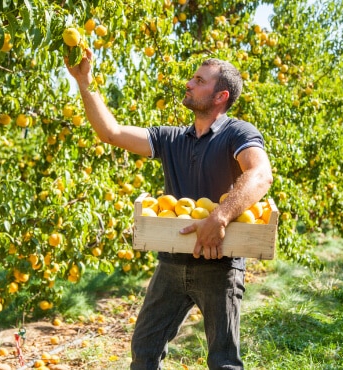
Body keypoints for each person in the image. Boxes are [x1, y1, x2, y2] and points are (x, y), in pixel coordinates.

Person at [66, 49, 273, 370]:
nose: (188, 83)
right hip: (172, 264)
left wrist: (219, 216)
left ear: (221, 96)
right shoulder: (171, 138)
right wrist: (84, 81)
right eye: (192, 77)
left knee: (223, 361)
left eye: (199, 80)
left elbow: (260, 175)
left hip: (219, 265)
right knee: (144, 351)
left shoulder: (239, 133)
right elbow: (111, 133)